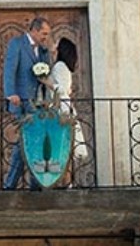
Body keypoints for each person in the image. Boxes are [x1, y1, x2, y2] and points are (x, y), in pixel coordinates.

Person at [2, 16, 52, 189]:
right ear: (34, 30)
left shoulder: (43, 50)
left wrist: (47, 98)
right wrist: (11, 94)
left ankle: (34, 184)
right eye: (44, 33)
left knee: (34, 143)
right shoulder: (17, 44)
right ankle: (12, 184)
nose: (46, 37)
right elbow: (9, 69)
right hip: (22, 102)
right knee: (24, 143)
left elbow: (46, 75)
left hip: (39, 104)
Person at [50, 38, 87, 177]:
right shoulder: (63, 66)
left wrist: (47, 82)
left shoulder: (59, 65)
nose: (53, 45)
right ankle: (66, 180)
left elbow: (62, 89)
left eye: (56, 43)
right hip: (64, 105)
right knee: (64, 145)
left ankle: (63, 179)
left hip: (61, 108)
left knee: (61, 146)